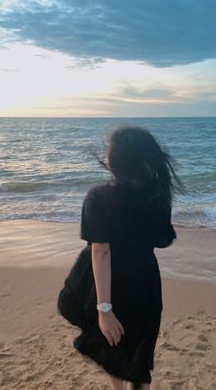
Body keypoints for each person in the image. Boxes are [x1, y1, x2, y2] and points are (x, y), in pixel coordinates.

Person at [58, 125, 181, 390]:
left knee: (110, 343)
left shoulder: (98, 198)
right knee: (139, 345)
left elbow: (101, 252)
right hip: (144, 281)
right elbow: (162, 240)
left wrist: (105, 308)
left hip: (106, 283)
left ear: (116, 161)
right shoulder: (157, 197)